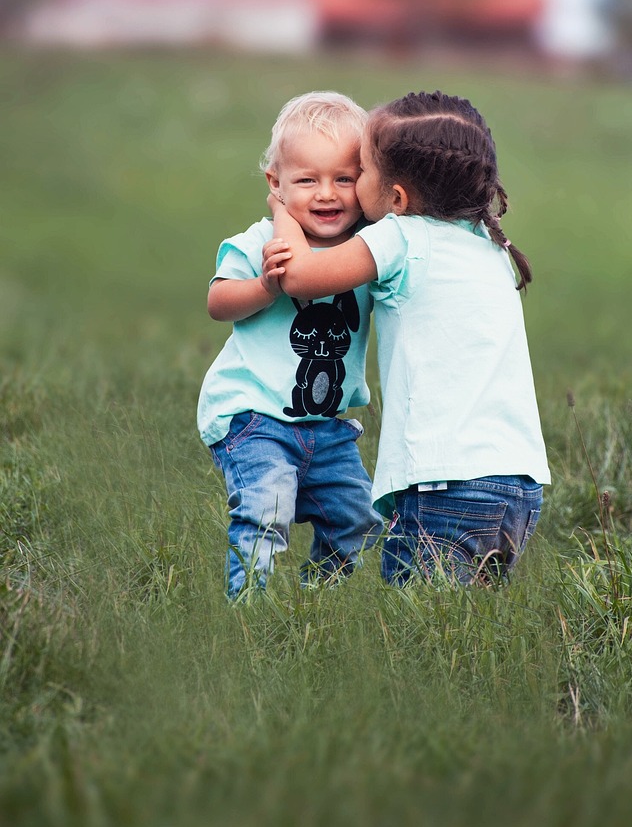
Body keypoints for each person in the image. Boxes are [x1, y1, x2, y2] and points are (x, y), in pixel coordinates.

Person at [264, 90, 549, 586]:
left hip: (442, 486)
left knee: (421, 639)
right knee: (468, 637)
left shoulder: (400, 237)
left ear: (396, 198)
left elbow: (298, 276)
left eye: (361, 171)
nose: (351, 188)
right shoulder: (489, 244)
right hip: (519, 486)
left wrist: (282, 205)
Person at [197, 91, 382, 599]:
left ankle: (315, 603)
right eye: (307, 180)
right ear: (274, 184)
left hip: (328, 428)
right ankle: (248, 615)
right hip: (254, 416)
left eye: (344, 178)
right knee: (266, 509)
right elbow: (218, 301)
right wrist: (265, 286)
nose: (328, 194)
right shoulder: (261, 241)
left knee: (358, 522)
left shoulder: (367, 249)